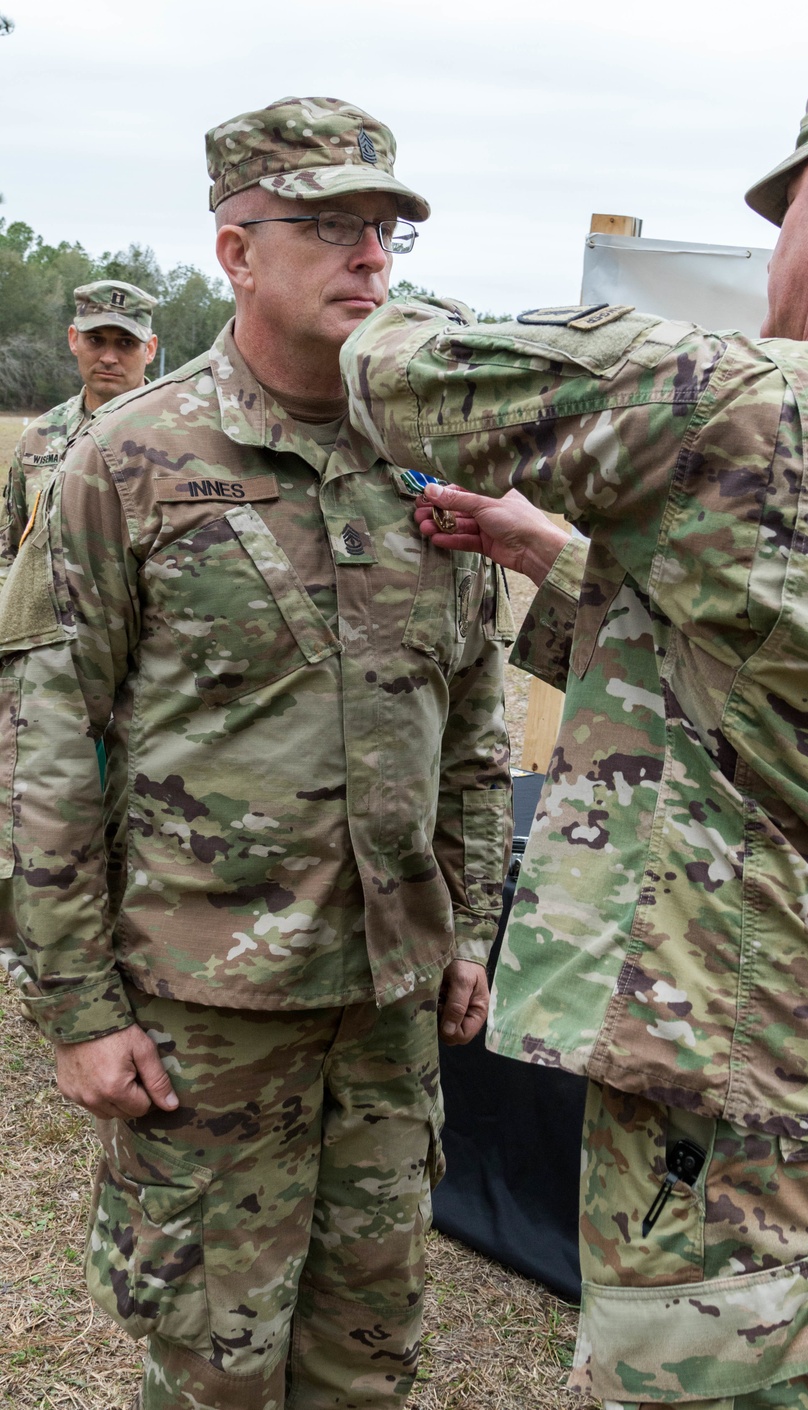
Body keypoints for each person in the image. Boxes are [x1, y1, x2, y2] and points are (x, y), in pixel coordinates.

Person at [342, 22, 808, 1410]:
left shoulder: (746, 406)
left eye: (782, 211)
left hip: (732, 1120)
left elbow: (398, 374)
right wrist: (544, 551)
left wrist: (363, 281)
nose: (771, 260)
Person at [0, 97, 512, 1410]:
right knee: (213, 1370)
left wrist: (471, 929)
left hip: (387, 1010)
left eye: (385, 228)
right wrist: (78, 1004)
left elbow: (471, 721)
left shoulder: (429, 458)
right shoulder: (130, 460)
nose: (370, 256)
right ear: (236, 250)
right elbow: (43, 735)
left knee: (370, 1358)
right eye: (331, 226)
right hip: (204, 1013)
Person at [1, 279, 158, 579]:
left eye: (126, 343)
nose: (109, 357)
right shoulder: (38, 439)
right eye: (95, 340)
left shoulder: (181, 438)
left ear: (150, 349)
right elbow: (9, 551)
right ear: (74, 339)